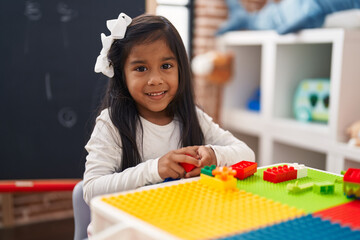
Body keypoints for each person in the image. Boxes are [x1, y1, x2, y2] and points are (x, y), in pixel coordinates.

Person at [83, 13, 255, 204]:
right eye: (141, 68)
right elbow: (91, 190)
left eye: (166, 66)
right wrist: (154, 169)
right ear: (122, 75)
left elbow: (247, 154)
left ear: (180, 68)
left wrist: (215, 155)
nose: (155, 79)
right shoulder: (111, 124)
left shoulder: (192, 117)